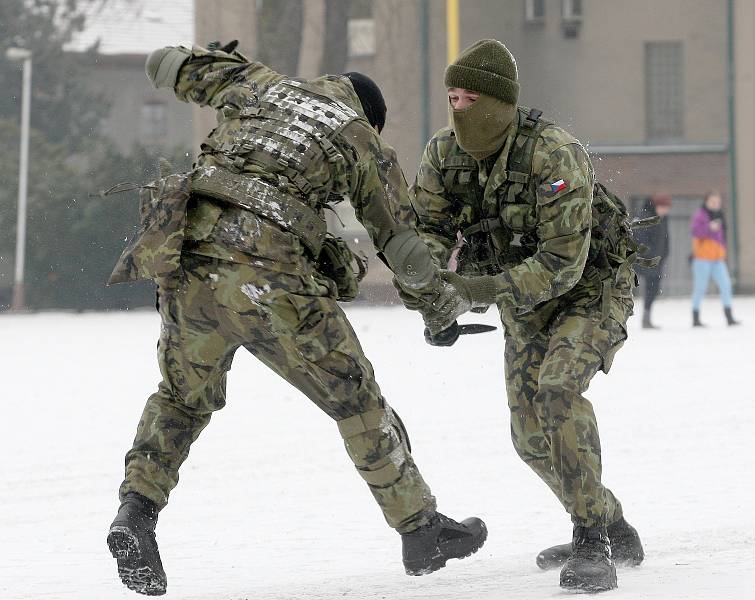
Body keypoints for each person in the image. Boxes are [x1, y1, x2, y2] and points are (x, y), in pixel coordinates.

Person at [105, 42, 486, 596]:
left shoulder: (262, 84)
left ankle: (135, 514)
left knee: (181, 399)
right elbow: (401, 244)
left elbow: (162, 63)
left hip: (186, 257)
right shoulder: (360, 139)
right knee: (355, 399)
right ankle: (420, 530)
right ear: (368, 116)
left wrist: (205, 57)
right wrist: (439, 314)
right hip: (269, 273)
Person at [403, 39, 645, 593]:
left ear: (498, 102)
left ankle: (592, 541)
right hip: (523, 304)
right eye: (451, 97)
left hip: (589, 292)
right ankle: (610, 521)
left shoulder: (552, 154)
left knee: (557, 391)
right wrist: (432, 301)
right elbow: (429, 237)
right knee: (531, 437)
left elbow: (563, 264)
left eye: (468, 98)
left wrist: (473, 290)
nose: (458, 108)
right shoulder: (444, 155)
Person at [690, 190, 740, 327]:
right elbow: (695, 232)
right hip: (702, 258)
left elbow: (722, 236)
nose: (716, 204)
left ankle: (729, 317)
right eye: (713, 201)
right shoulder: (700, 215)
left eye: (718, 202)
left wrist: (723, 250)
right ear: (706, 201)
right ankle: (695, 317)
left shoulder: (720, 215)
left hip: (718, 259)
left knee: (726, 285)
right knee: (700, 288)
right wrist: (708, 227)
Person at [633, 194, 671, 329]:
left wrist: (664, 254)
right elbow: (638, 239)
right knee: (628, 288)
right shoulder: (645, 218)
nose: (665, 210)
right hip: (642, 260)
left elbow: (665, 239)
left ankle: (646, 317)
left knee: (654, 289)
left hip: (657, 261)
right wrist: (648, 254)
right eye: (663, 207)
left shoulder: (663, 219)